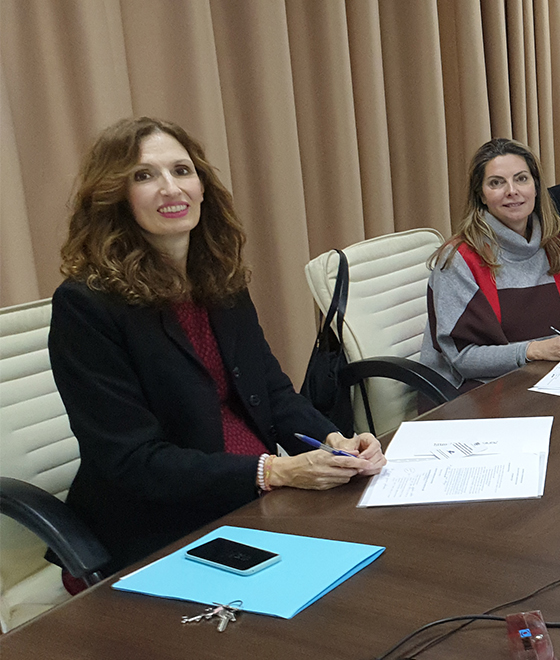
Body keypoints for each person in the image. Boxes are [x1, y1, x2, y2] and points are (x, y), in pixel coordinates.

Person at [48, 117, 386, 579]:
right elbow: (130, 461)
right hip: (158, 525)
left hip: (252, 494)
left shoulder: (218, 278)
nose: (171, 188)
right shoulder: (85, 305)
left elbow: (272, 391)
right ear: (114, 198)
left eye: (182, 171)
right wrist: (274, 471)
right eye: (144, 176)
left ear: (203, 187)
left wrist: (335, 439)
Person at [422, 138, 560, 389]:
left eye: (521, 179)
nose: (512, 191)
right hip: (482, 393)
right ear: (481, 196)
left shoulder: (559, 246)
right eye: (496, 183)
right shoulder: (458, 261)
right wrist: (535, 350)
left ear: (536, 188)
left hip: (558, 382)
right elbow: (463, 357)